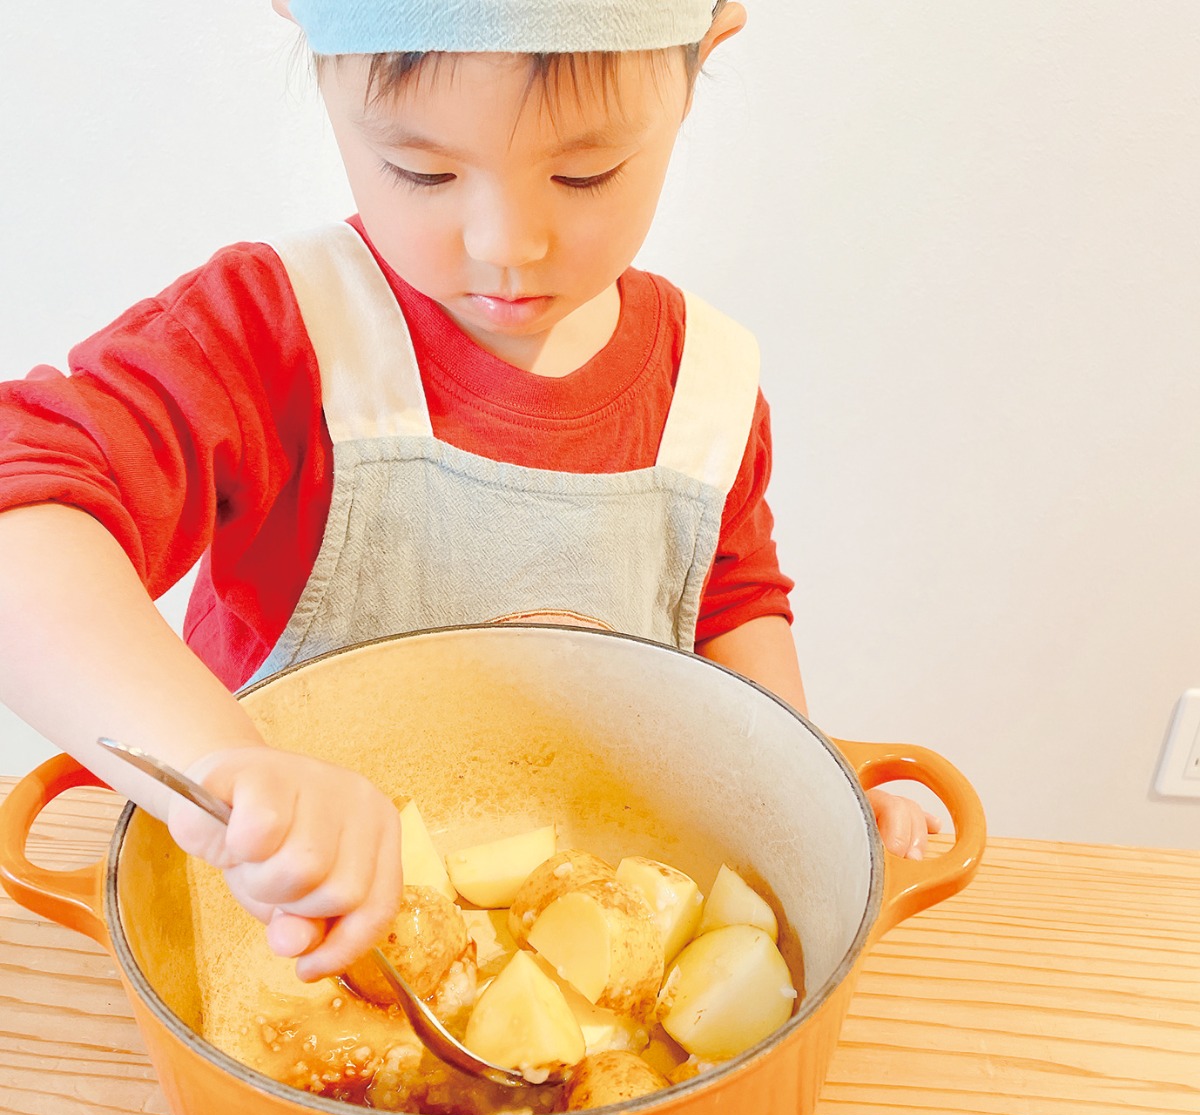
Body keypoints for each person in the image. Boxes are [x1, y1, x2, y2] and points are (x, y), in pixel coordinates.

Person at [0, 0, 938, 982]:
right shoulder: (274, 339)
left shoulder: (703, 391)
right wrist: (223, 772)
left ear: (702, 57)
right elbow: (22, 515)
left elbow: (731, 611)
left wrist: (809, 795)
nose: (506, 244)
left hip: (599, 950)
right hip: (290, 959)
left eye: (585, 173)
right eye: (425, 172)